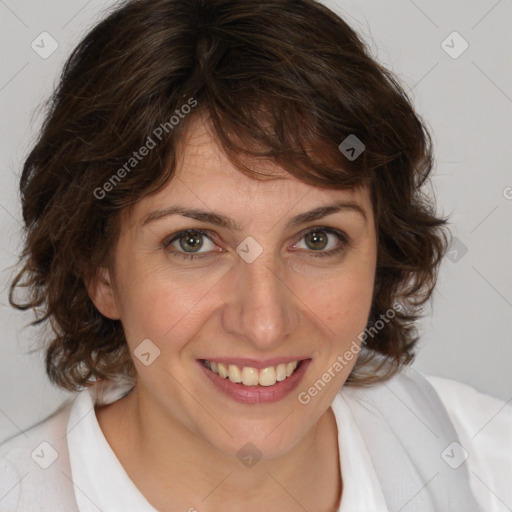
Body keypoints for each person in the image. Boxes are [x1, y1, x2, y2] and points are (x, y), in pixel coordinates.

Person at [0, 0, 510, 510]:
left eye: (317, 239)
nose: (264, 324)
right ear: (101, 272)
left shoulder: (489, 463)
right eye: (193, 242)